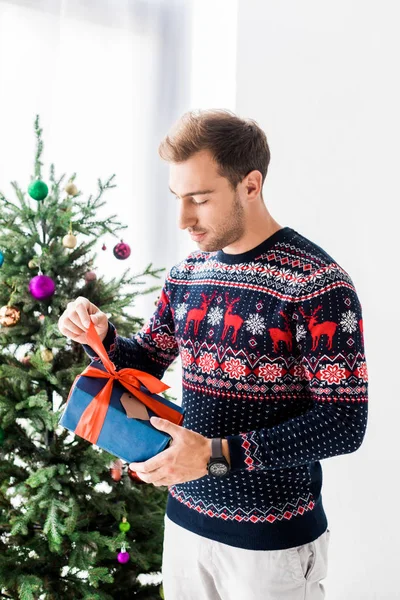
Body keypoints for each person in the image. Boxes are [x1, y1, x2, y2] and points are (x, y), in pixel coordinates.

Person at [58, 109, 368, 600]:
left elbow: (344, 422)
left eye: (200, 199)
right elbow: (145, 360)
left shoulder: (317, 283)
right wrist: (100, 336)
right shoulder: (186, 275)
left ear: (251, 185)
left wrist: (215, 457)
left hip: (270, 549)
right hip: (183, 526)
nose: (184, 219)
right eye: (178, 199)